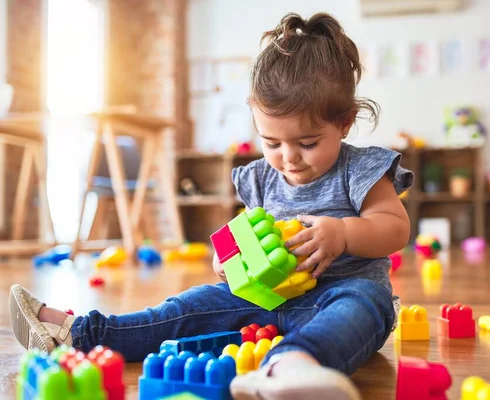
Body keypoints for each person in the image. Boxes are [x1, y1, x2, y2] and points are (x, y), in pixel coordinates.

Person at [9, 11, 413, 400]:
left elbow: (394, 227)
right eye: (272, 142)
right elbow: (245, 231)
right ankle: (79, 333)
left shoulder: (360, 168)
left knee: (365, 304)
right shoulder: (259, 176)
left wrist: (342, 233)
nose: (289, 157)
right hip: (266, 299)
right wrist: (230, 258)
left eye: (307, 143)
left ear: (344, 123)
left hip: (340, 295)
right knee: (187, 307)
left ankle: (291, 366)